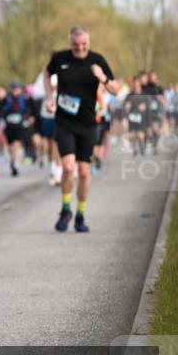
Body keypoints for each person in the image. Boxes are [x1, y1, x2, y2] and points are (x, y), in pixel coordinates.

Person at [45, 25, 121, 232]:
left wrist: (102, 78)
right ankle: (65, 209)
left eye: (84, 44)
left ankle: (80, 214)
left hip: (88, 123)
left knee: (85, 172)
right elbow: (47, 73)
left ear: (89, 42)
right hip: (64, 122)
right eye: (75, 45)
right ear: (70, 42)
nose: (80, 48)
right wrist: (50, 97)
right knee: (68, 167)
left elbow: (116, 89)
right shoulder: (60, 58)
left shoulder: (97, 60)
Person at [1, 81, 32, 177]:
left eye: (17, 89)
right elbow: (1, 110)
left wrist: (26, 118)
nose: (15, 91)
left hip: (19, 124)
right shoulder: (6, 99)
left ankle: (16, 164)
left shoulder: (24, 99)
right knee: (10, 146)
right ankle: (13, 160)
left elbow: (28, 110)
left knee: (17, 143)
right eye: (14, 89)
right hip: (9, 125)